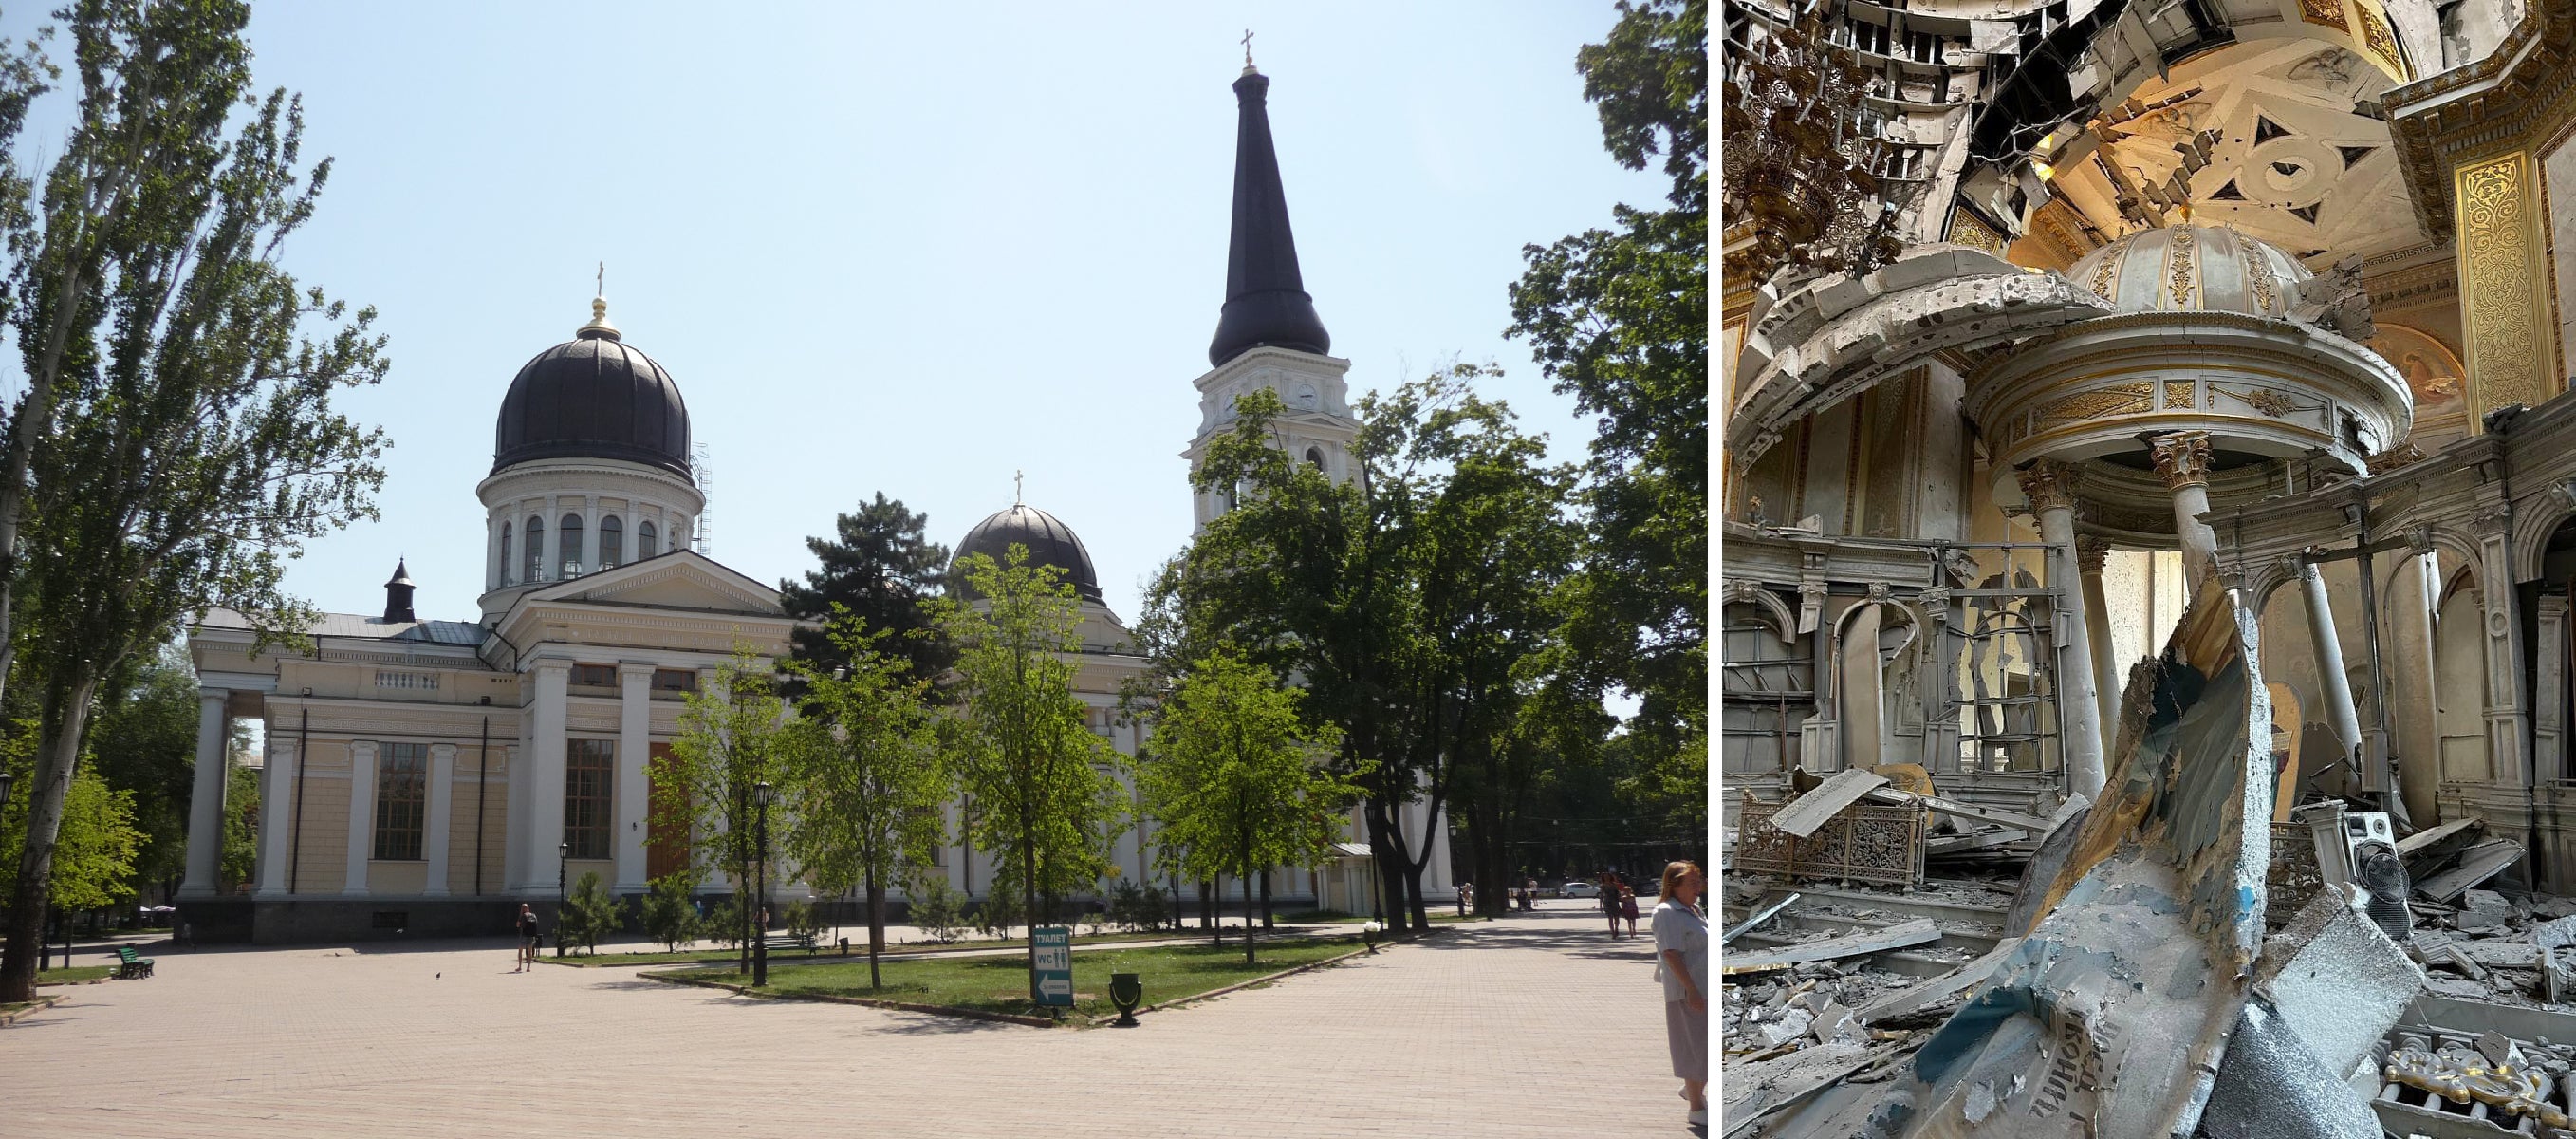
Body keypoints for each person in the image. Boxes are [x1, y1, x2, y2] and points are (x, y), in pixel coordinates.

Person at [1653, 861, 1708, 1130]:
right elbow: (1671, 954)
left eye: (1700, 881)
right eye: (1692, 883)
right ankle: (1696, 1108)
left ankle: (1693, 1090)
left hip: (1704, 987)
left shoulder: (1694, 909)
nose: (1699, 887)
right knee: (1694, 1048)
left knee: (1704, 1047)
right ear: (1674, 885)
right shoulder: (1666, 912)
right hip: (1688, 991)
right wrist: (1691, 989)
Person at [514, 904, 541, 972]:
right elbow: (536, 923)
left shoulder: (523, 916)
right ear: (528, 908)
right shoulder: (533, 915)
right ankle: (528, 968)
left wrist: (520, 917)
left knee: (520, 951)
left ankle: (520, 967)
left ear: (522, 909)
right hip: (531, 935)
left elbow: (517, 925)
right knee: (529, 952)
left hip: (524, 935)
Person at [1602, 869, 1624, 938]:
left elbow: (1619, 893)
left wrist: (1622, 900)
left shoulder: (1615, 885)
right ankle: (1612, 932)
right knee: (1610, 918)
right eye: (1605, 877)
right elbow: (1601, 896)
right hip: (1607, 902)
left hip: (1615, 902)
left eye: (1608, 876)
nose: (1606, 878)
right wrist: (1600, 905)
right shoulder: (1603, 885)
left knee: (1617, 917)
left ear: (1610, 877)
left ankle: (1616, 928)